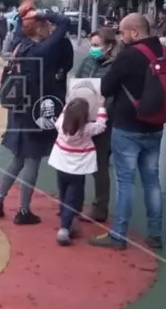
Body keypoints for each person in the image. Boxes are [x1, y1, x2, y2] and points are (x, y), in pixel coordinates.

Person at [90, 13, 166, 250]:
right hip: (156, 126)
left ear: (135, 32)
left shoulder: (128, 56)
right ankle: (155, 233)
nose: (120, 36)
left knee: (125, 181)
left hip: (128, 126)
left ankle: (118, 234)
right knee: (151, 181)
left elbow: (107, 87)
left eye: (122, 32)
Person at [0, 0, 74, 225]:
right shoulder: (43, 49)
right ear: (38, 28)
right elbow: (65, 22)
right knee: (33, 160)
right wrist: (43, 12)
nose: (50, 27)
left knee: (18, 157)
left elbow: (21, 26)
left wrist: (29, 15)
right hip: (35, 110)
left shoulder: (21, 45)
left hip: (18, 108)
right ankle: (23, 210)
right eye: (45, 24)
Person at [47, 98, 106, 246]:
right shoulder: (87, 129)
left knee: (63, 192)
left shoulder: (61, 124)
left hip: (61, 164)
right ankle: (64, 229)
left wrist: (69, 102)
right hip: (78, 169)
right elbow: (101, 126)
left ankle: (67, 221)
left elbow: (62, 114)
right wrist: (101, 108)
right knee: (72, 199)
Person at [74, 27, 118, 222]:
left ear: (108, 46)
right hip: (82, 119)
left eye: (96, 46)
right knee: (77, 162)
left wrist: (99, 113)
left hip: (102, 122)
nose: (93, 49)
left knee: (100, 166)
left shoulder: (115, 67)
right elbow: (76, 82)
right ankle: (74, 203)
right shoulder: (88, 61)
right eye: (91, 45)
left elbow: (113, 96)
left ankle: (100, 208)